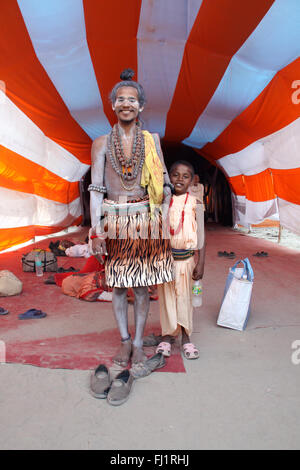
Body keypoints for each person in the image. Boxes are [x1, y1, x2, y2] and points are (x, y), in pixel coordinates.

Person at [88, 69, 173, 368]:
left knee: (141, 287)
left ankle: (138, 344)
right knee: (119, 286)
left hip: (145, 221)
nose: (126, 104)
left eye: (132, 100)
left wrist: (161, 214)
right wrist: (95, 230)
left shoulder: (152, 141)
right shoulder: (100, 143)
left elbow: (164, 182)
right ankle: (124, 341)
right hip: (114, 221)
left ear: (141, 106)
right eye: (120, 99)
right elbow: (96, 189)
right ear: (112, 104)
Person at [156, 160, 206, 359]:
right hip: (166, 261)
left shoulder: (196, 203)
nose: (179, 179)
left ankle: (186, 336)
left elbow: (201, 235)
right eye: (175, 175)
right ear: (169, 176)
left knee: (186, 298)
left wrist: (201, 262)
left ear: (192, 181)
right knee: (167, 299)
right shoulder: (162, 203)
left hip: (187, 261)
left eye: (185, 176)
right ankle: (167, 336)